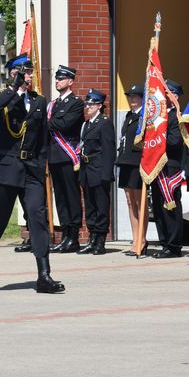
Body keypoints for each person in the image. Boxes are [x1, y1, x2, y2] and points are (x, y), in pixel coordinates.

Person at [0, 55, 64, 294]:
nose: (30, 76)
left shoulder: (39, 101)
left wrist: (41, 169)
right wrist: (13, 88)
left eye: (31, 73)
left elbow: (42, 140)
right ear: (14, 73)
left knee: (38, 219)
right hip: (7, 168)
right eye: (26, 72)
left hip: (31, 169)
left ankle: (44, 275)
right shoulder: (0, 95)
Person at [47, 64, 85, 254]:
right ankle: (65, 236)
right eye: (56, 78)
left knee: (71, 195)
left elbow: (66, 124)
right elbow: (55, 124)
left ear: (70, 81)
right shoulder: (53, 104)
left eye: (61, 79)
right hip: (54, 156)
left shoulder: (76, 103)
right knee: (60, 198)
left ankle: (74, 237)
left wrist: (47, 123)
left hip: (68, 155)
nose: (57, 81)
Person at [149, 79, 185, 259]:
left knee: (170, 207)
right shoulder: (158, 116)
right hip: (156, 165)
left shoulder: (176, 116)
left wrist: (157, 138)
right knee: (157, 207)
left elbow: (174, 141)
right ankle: (164, 242)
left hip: (170, 166)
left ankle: (173, 245)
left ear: (175, 96)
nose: (162, 96)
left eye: (167, 93)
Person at [78, 89, 115, 255]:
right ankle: (92, 239)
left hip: (99, 169)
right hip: (87, 170)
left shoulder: (104, 123)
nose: (88, 106)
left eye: (91, 104)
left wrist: (106, 174)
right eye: (87, 103)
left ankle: (100, 241)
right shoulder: (87, 124)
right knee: (90, 205)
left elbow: (109, 150)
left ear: (99, 106)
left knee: (101, 206)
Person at [116, 83, 147, 256]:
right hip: (126, 160)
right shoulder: (128, 116)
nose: (132, 99)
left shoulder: (144, 116)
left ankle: (142, 239)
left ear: (142, 98)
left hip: (137, 161)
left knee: (139, 201)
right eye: (130, 97)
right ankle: (136, 238)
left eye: (135, 96)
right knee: (129, 200)